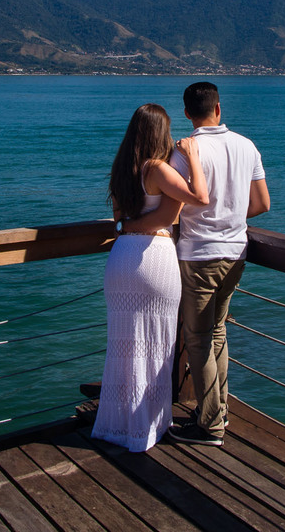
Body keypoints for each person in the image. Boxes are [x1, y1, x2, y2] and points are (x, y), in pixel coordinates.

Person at [92, 103, 209, 453]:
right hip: (152, 258)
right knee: (156, 344)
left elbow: (118, 219)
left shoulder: (120, 170)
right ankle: (148, 426)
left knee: (124, 345)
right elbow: (199, 198)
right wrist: (193, 158)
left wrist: (127, 226)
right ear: (161, 132)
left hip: (121, 258)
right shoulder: (156, 169)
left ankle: (119, 424)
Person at [165, 82, 270, 446]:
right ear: (219, 108)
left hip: (199, 255)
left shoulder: (185, 152)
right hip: (236, 252)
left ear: (186, 113)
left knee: (197, 338)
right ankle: (217, 410)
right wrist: (230, 217)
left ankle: (210, 424)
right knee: (218, 332)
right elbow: (262, 204)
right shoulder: (247, 146)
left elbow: (172, 208)